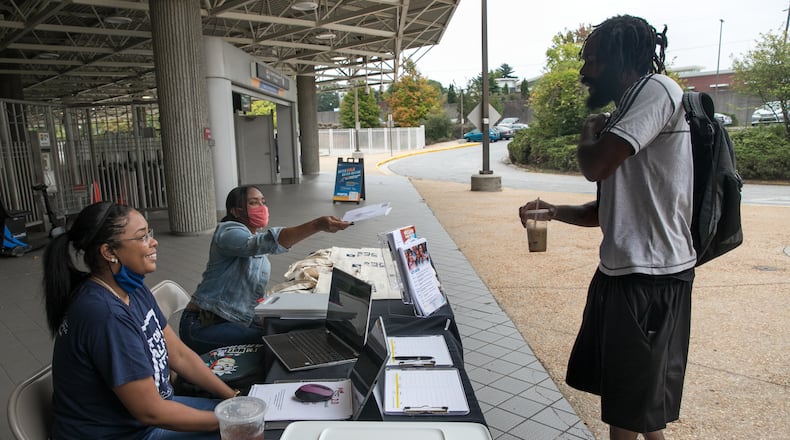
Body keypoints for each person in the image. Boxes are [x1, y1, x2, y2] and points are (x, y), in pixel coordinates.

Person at [518, 15, 695, 440]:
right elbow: (609, 208)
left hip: (651, 278)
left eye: (592, 60)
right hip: (622, 275)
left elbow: (594, 165)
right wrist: (554, 211)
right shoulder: (630, 105)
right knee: (630, 404)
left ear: (621, 59)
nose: (583, 71)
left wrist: (588, 131)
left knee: (634, 409)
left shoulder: (657, 90)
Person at [43, 201, 238, 439]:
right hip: (126, 433)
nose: (153, 242)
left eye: (150, 234)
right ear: (109, 252)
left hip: (146, 418)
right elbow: (151, 413)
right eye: (142, 237)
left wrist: (233, 398)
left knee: (244, 416)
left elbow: (179, 355)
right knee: (247, 431)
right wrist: (233, 422)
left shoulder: (132, 288)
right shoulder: (105, 315)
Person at [179, 184, 352, 355]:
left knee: (294, 327)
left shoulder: (250, 234)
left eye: (263, 201)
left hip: (235, 320)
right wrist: (316, 225)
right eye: (254, 203)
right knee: (278, 344)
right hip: (202, 326)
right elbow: (265, 243)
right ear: (236, 211)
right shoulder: (228, 233)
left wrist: (264, 314)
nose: (262, 207)